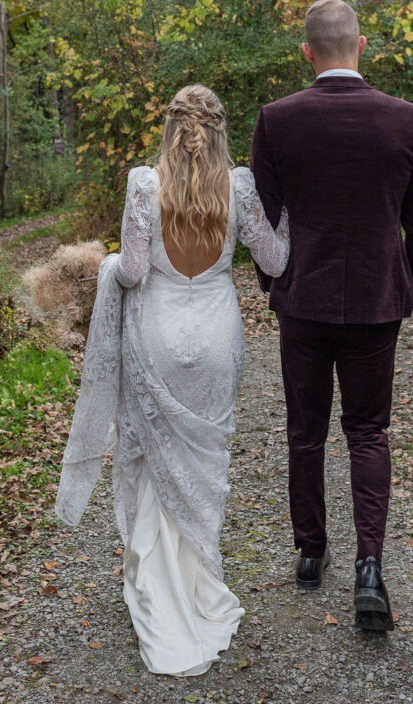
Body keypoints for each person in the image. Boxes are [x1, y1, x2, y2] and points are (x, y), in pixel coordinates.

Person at [55, 84, 290, 676]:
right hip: (217, 337)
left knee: (156, 460)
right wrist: (292, 217)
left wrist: (104, 265)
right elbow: (275, 261)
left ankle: (160, 588)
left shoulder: (143, 184)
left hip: (157, 335)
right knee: (205, 461)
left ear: (168, 129)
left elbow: (132, 273)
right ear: (218, 130)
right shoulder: (238, 185)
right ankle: (201, 583)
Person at [251, 0, 413, 631]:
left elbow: (264, 223)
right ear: (359, 46)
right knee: (368, 432)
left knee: (305, 431)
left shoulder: (277, 120)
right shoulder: (405, 120)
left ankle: (310, 552)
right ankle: (369, 567)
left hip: (302, 301)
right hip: (374, 304)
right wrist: (404, 286)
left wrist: (274, 281)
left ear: (308, 53)